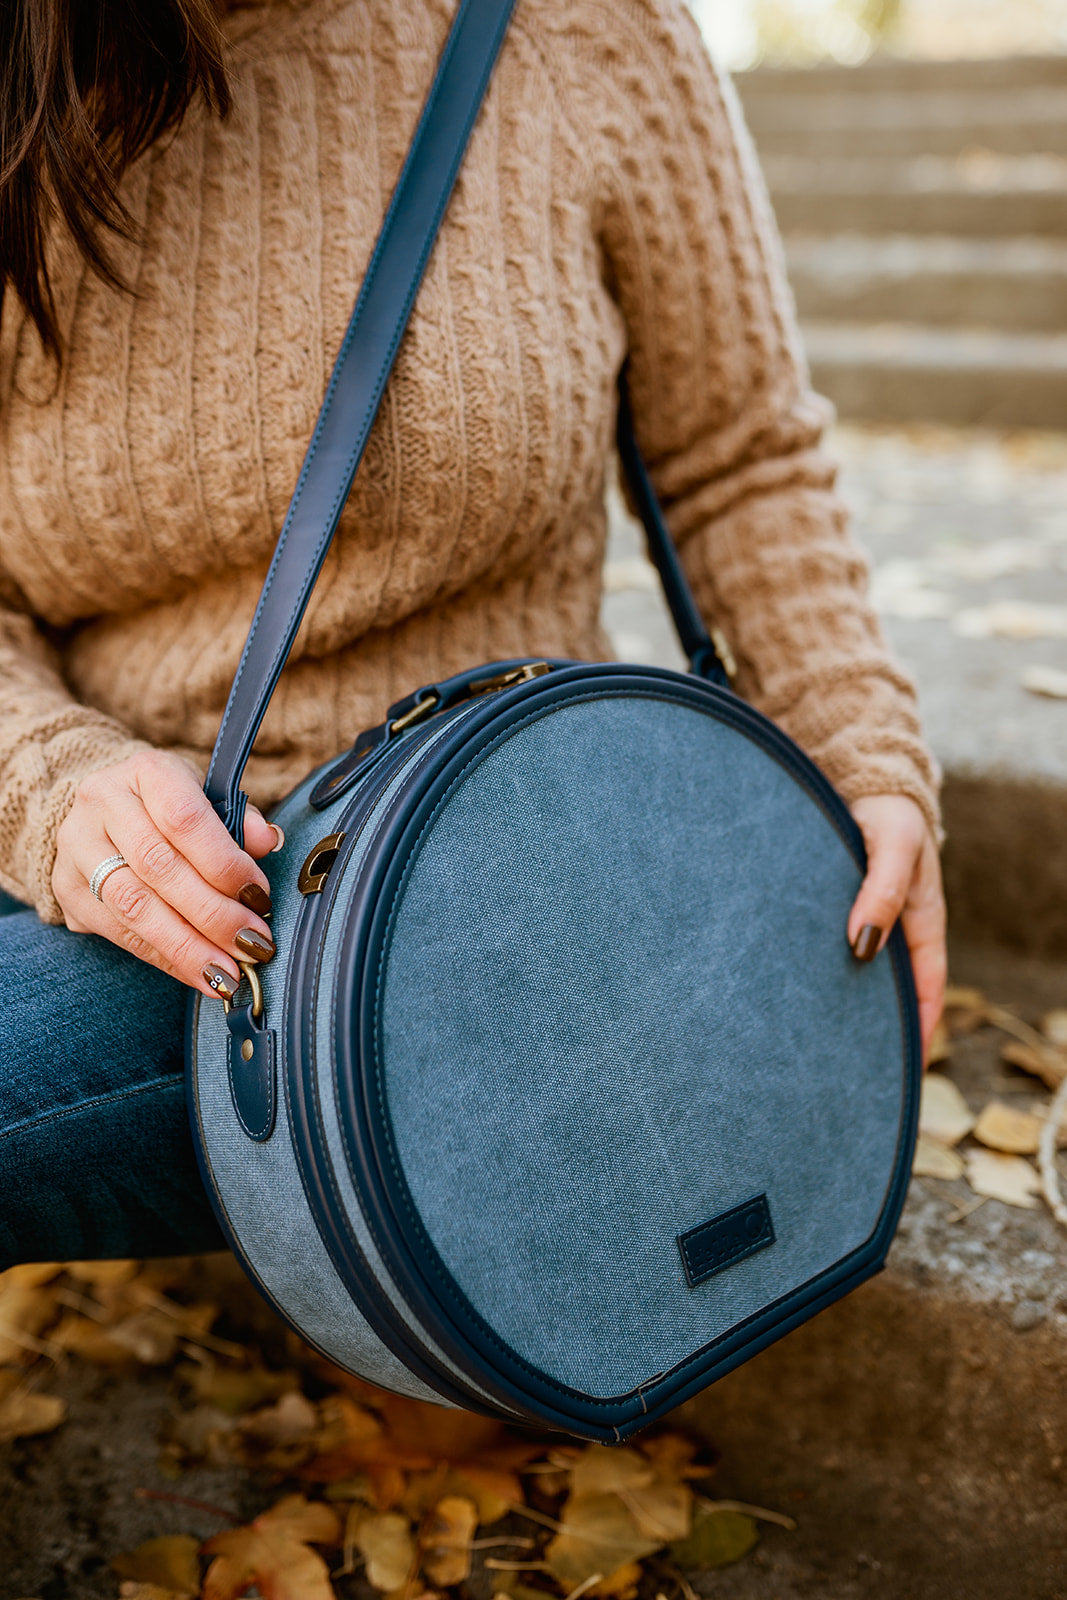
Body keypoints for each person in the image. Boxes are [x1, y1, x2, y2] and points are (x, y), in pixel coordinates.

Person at [0, 0, 944, 1268]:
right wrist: (48, 780)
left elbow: (738, 456)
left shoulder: (581, 27)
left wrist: (861, 750)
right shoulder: (28, 83)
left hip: (473, 897)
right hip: (111, 868)